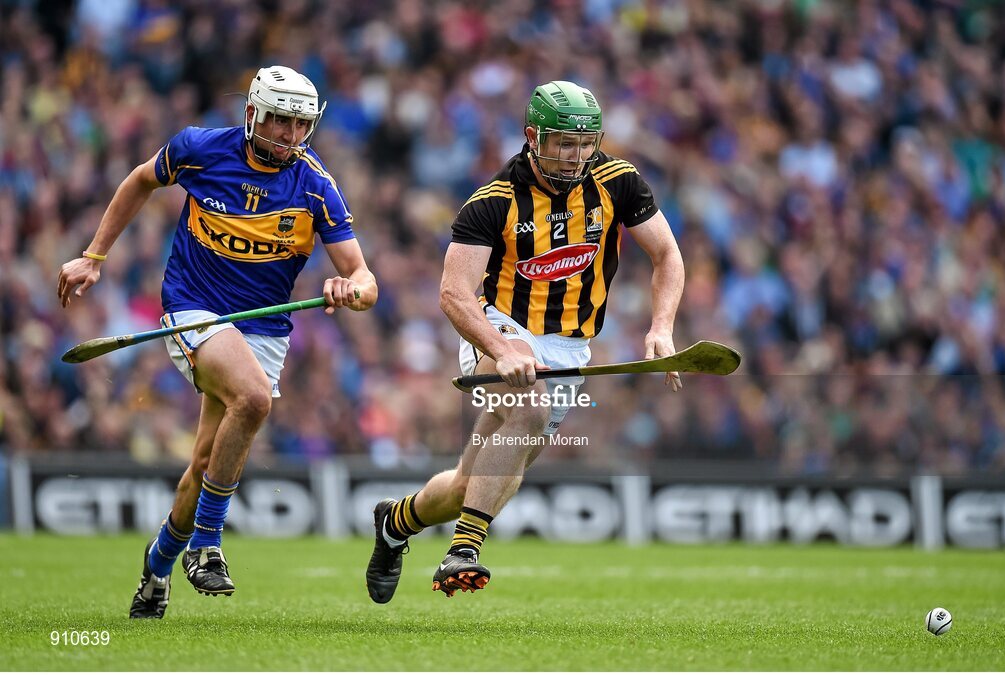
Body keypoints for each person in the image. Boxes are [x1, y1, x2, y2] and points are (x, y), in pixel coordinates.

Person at [57, 65, 378, 619]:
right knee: (252, 399)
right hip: (193, 307)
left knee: (205, 461)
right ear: (253, 113)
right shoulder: (200, 150)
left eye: (300, 125)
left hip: (264, 326)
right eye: (279, 120)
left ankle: (156, 571)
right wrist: (94, 255)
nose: (289, 135)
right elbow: (139, 180)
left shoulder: (316, 185)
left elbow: (368, 281)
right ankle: (207, 542)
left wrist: (350, 288)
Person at [365, 80, 684, 601]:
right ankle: (465, 549)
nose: (574, 155)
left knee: (471, 487)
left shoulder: (618, 181)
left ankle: (395, 523)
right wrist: (502, 348)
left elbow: (668, 255)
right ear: (533, 136)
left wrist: (662, 327)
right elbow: (453, 294)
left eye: (585, 143)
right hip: (496, 326)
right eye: (562, 142)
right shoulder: (493, 202)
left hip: (569, 348)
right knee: (530, 410)